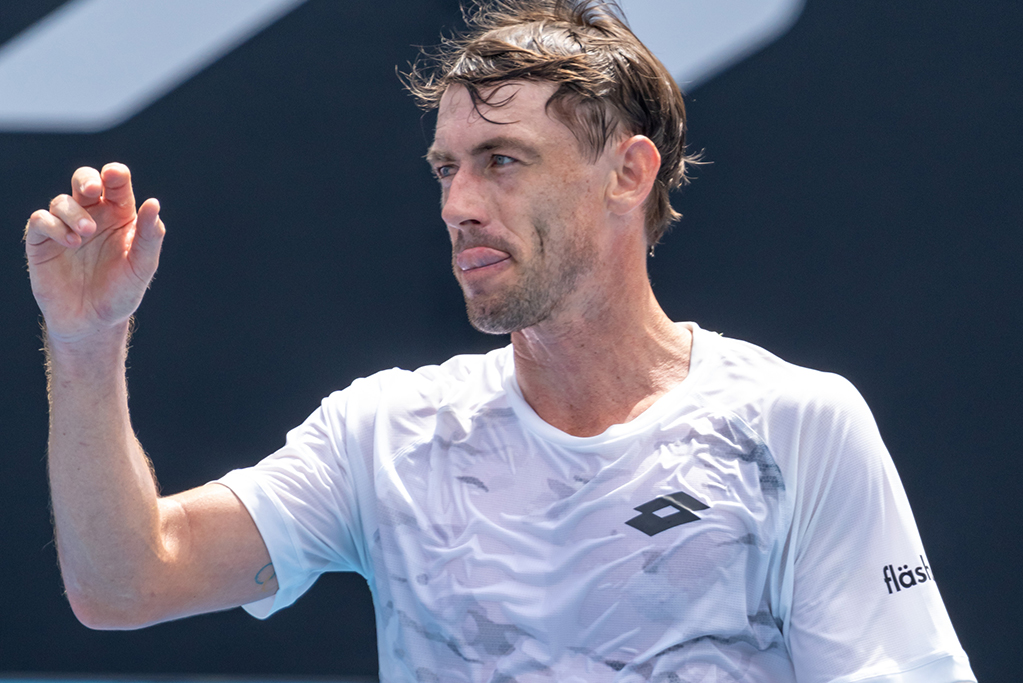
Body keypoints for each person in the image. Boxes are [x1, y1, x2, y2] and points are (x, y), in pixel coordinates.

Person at [24, 1, 975, 681]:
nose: (458, 205)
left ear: (626, 172)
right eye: (446, 169)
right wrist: (85, 340)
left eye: (502, 162)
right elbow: (124, 580)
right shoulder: (384, 436)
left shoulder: (795, 425)